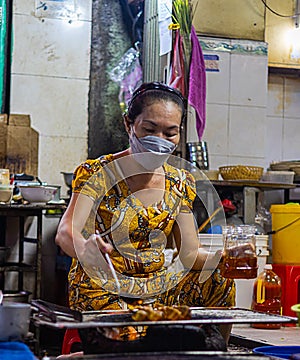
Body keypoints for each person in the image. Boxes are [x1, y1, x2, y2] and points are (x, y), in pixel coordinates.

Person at [55, 82, 235, 343]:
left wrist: (225, 258)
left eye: (170, 133)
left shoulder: (180, 181)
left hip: (156, 287)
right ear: (129, 124)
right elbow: (65, 232)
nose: (159, 141)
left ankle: (214, 358)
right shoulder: (98, 172)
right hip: (105, 284)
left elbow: (189, 253)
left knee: (218, 279)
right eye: (149, 130)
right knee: (135, 340)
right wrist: (84, 248)